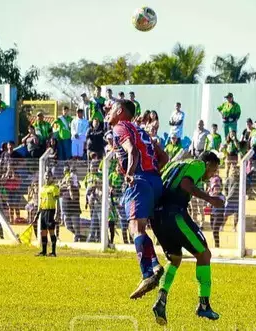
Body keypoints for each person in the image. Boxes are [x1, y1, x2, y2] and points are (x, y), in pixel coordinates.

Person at [106, 99, 168, 300]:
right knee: (141, 227)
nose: (109, 112)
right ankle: (155, 264)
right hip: (154, 181)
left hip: (139, 181)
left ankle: (147, 274)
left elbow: (132, 150)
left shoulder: (120, 127)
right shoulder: (141, 130)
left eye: (112, 108)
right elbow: (164, 157)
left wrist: (130, 172)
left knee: (135, 228)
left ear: (120, 111)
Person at [151, 152, 224, 325]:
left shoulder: (174, 165)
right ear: (207, 163)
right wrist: (211, 200)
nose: (212, 174)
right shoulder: (198, 164)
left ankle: (161, 300)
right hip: (174, 213)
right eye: (213, 169)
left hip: (157, 217)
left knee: (175, 259)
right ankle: (204, 305)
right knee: (204, 254)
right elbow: (185, 184)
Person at [34, 172, 60, 257]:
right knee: (43, 232)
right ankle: (44, 251)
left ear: (52, 177)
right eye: (45, 176)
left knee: (51, 231)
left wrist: (57, 212)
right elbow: (41, 202)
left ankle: (53, 252)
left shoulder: (54, 188)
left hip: (50, 211)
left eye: (48, 176)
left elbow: (57, 201)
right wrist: (37, 214)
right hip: (43, 211)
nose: (47, 178)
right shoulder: (42, 188)